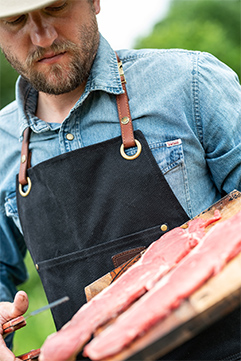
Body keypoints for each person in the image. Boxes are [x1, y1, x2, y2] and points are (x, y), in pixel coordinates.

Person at [0, 0, 240, 360]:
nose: (42, 37)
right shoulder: (2, 141)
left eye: (56, 8)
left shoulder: (191, 83)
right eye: (16, 20)